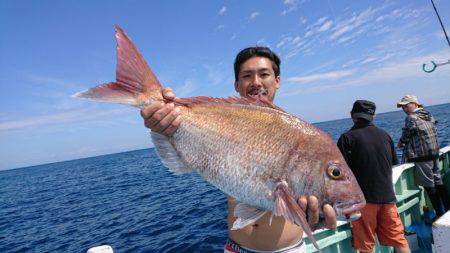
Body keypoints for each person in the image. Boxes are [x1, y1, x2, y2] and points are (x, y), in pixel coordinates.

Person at [140, 47, 337, 252]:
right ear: (236, 84)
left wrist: (319, 218)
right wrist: (165, 120)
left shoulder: (300, 136)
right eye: (247, 76)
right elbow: (185, 156)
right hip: (236, 248)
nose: (256, 82)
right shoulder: (221, 121)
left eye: (264, 74)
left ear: (277, 80)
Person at [337, 100, 410, 253]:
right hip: (388, 198)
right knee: (400, 240)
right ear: (373, 116)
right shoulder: (385, 135)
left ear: (352, 116)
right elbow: (392, 164)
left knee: (365, 247)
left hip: (364, 202)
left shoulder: (346, 138)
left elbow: (339, 176)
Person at [397, 95, 450, 218]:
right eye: (402, 106)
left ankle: (440, 214)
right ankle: (447, 208)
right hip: (434, 153)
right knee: (438, 181)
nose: (404, 108)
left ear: (415, 104)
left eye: (406, 105)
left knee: (429, 185)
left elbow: (407, 135)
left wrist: (400, 141)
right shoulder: (427, 114)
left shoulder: (411, 118)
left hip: (421, 156)